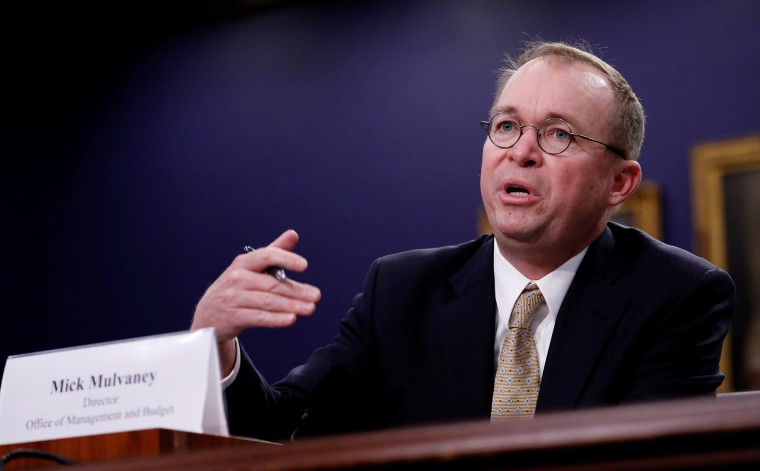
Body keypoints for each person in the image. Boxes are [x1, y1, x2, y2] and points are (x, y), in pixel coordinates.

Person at [190, 40, 736, 442]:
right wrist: (215, 344)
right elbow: (279, 432)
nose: (520, 152)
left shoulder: (677, 294)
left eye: (558, 134)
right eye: (506, 126)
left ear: (620, 183)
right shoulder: (401, 290)